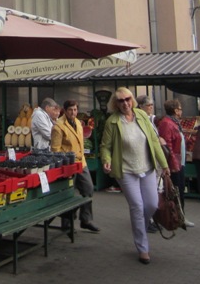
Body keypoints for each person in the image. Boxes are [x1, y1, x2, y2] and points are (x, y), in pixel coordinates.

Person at [101, 87, 169, 265]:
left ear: (132, 100)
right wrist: (106, 159)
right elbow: (105, 146)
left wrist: (164, 164)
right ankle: (142, 248)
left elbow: (154, 140)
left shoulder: (141, 116)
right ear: (115, 104)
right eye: (121, 101)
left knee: (151, 204)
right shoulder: (113, 122)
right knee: (137, 206)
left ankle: (141, 228)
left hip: (147, 167)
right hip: (126, 171)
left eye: (127, 99)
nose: (125, 103)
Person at [50, 99, 99, 232]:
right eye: (70, 110)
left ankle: (86, 219)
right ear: (64, 111)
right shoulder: (58, 126)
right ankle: (67, 223)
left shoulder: (78, 123)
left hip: (81, 163)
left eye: (75, 110)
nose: (73, 112)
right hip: (68, 166)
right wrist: (67, 157)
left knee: (88, 189)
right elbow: (55, 150)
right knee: (68, 193)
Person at [157, 99, 194, 227]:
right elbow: (168, 146)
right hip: (175, 164)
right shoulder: (167, 124)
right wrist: (173, 164)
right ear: (175, 110)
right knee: (175, 192)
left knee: (179, 191)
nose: (181, 111)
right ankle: (176, 217)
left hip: (179, 162)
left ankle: (180, 216)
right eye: (179, 108)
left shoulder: (175, 123)